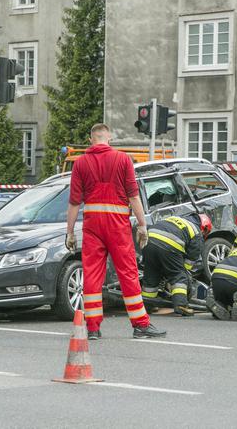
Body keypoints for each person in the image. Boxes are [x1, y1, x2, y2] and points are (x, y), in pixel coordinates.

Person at [65, 123, 165, 340]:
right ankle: (140, 325)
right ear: (109, 138)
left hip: (92, 225)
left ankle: (92, 328)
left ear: (92, 139)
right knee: (127, 272)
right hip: (117, 225)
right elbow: (133, 195)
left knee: (91, 274)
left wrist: (70, 232)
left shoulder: (80, 163)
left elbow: (74, 202)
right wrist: (142, 225)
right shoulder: (122, 159)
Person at [141, 213, 212, 316]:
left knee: (151, 275)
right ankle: (181, 305)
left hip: (149, 241)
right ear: (204, 228)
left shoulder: (175, 219)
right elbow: (191, 258)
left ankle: (146, 306)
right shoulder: (196, 231)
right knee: (179, 276)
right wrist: (185, 271)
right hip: (168, 245)